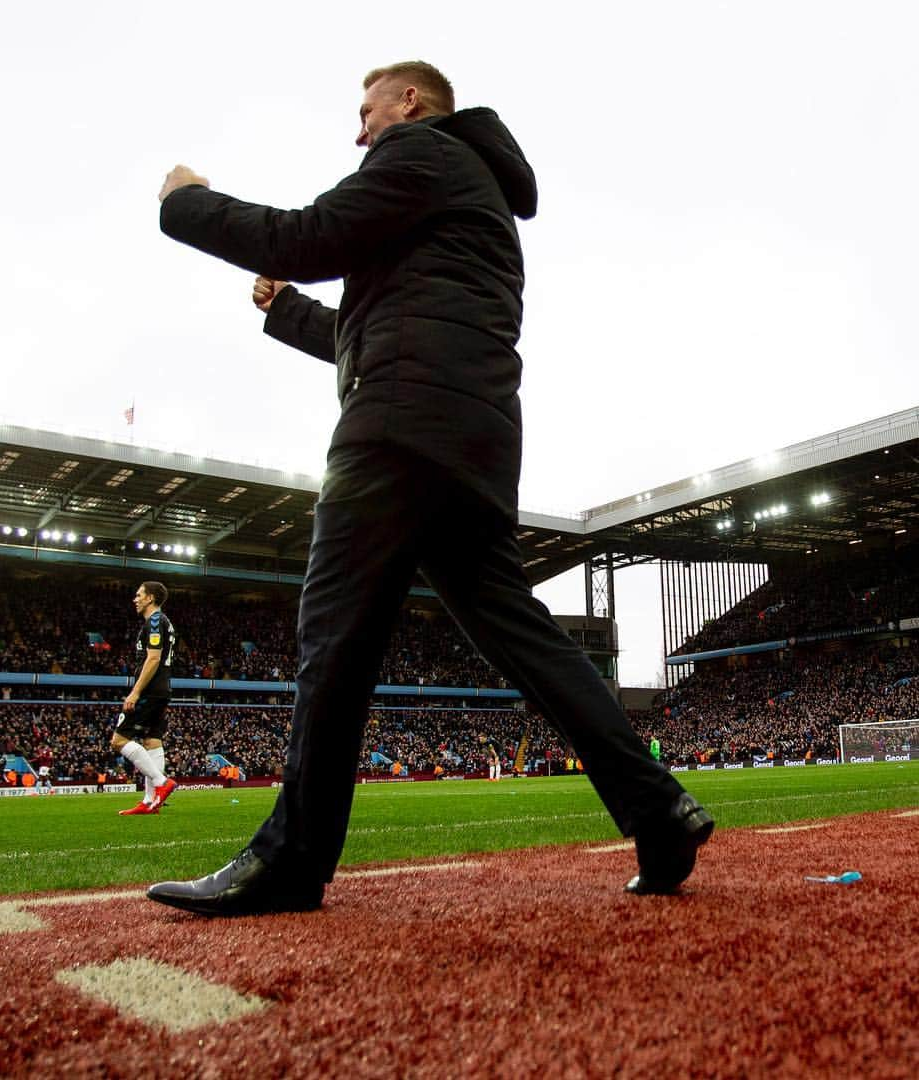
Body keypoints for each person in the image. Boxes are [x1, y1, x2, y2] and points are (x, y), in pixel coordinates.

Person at [148, 61, 712, 916]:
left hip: (396, 434)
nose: (359, 128)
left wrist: (185, 202)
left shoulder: (418, 152)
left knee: (331, 639)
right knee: (529, 642)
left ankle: (293, 859)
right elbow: (381, 322)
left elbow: (305, 235)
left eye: (365, 108)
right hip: (474, 442)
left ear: (408, 102)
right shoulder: (469, 192)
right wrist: (286, 313)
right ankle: (658, 807)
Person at [111, 582, 177, 816]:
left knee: (118, 741)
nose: (135, 599)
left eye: (139, 595)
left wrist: (135, 691)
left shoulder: (156, 621)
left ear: (150, 598)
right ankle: (150, 802)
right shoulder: (163, 622)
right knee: (151, 740)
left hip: (150, 690)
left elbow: (153, 659)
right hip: (161, 689)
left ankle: (161, 782)